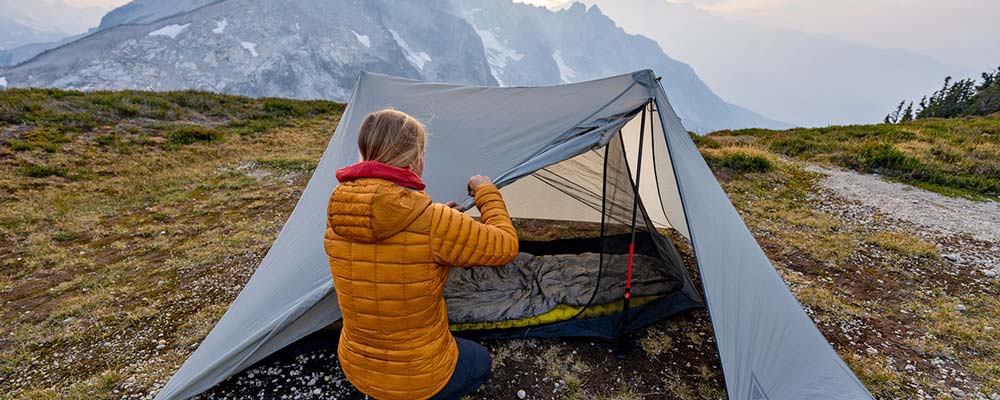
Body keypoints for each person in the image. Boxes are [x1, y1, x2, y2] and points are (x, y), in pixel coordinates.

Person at [324, 109, 519, 400]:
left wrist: (442, 220)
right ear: (415, 159)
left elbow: (392, 240)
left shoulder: (339, 211)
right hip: (420, 378)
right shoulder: (433, 223)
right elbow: (506, 245)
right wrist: (485, 190)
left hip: (356, 367)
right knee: (479, 360)